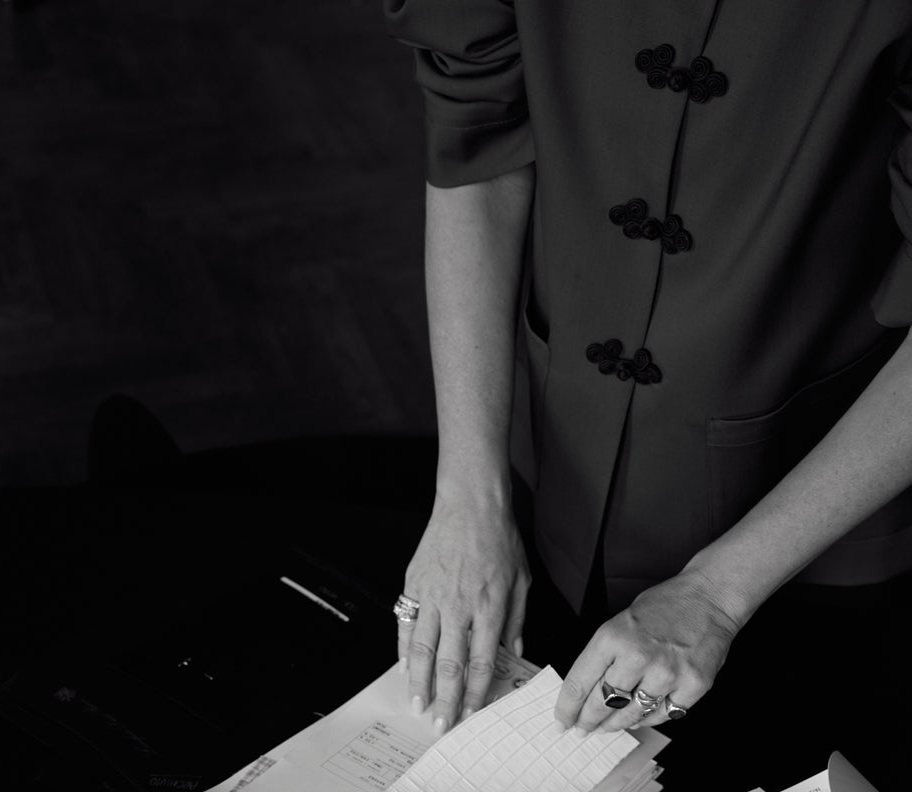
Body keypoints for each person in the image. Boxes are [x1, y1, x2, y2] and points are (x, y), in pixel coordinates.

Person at [383, 1, 912, 752]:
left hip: (819, 511)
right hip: (551, 463)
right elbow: (478, 132)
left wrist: (718, 597)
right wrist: (469, 494)